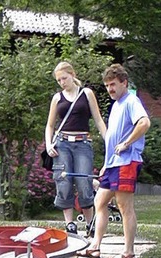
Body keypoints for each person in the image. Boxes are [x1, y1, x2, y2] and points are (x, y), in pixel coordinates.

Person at [76, 63, 151, 258]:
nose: (110, 89)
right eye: (107, 85)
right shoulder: (116, 105)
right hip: (113, 165)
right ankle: (95, 247)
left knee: (124, 207)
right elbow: (112, 137)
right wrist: (106, 164)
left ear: (124, 83)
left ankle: (128, 252)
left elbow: (144, 123)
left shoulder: (131, 101)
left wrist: (127, 143)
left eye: (113, 84)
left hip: (127, 162)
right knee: (99, 202)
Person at [45, 61, 107, 235]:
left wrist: (108, 140)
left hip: (83, 142)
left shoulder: (86, 94)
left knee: (84, 181)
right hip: (62, 143)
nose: (62, 82)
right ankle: (69, 224)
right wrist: (49, 144)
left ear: (72, 75)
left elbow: (98, 120)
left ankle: (90, 223)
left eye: (64, 78)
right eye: (59, 80)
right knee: (63, 181)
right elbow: (50, 125)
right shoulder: (57, 98)